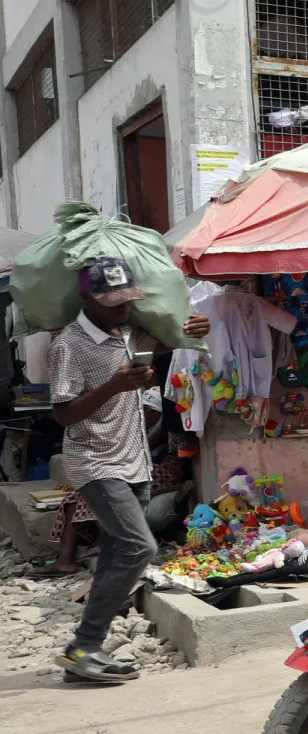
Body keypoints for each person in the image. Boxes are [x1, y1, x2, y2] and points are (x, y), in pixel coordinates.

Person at [48, 257, 210, 682]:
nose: (123, 307)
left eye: (127, 299)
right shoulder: (69, 345)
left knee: (117, 551)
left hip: (134, 459)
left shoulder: (130, 332)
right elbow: (62, 414)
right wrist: (114, 385)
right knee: (140, 548)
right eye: (112, 301)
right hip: (95, 460)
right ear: (86, 297)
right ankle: (84, 645)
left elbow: (170, 339)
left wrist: (192, 329)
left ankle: (85, 655)